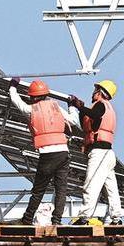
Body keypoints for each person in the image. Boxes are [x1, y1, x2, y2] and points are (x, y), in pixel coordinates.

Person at [8, 78, 79, 225]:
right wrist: (72, 106)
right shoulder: (56, 107)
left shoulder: (31, 110)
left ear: (33, 97)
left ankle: (27, 219)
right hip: (63, 153)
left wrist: (13, 86)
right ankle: (56, 221)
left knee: (38, 190)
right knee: (61, 189)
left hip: (48, 154)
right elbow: (73, 121)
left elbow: (16, 101)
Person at [68, 78, 122, 222]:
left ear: (101, 92)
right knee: (111, 188)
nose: (93, 93)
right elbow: (87, 125)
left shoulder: (101, 105)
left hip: (100, 153)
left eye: (95, 90)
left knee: (91, 184)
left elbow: (95, 115)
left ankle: (84, 217)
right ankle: (116, 217)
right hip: (107, 154)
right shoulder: (106, 108)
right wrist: (79, 109)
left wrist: (80, 107)